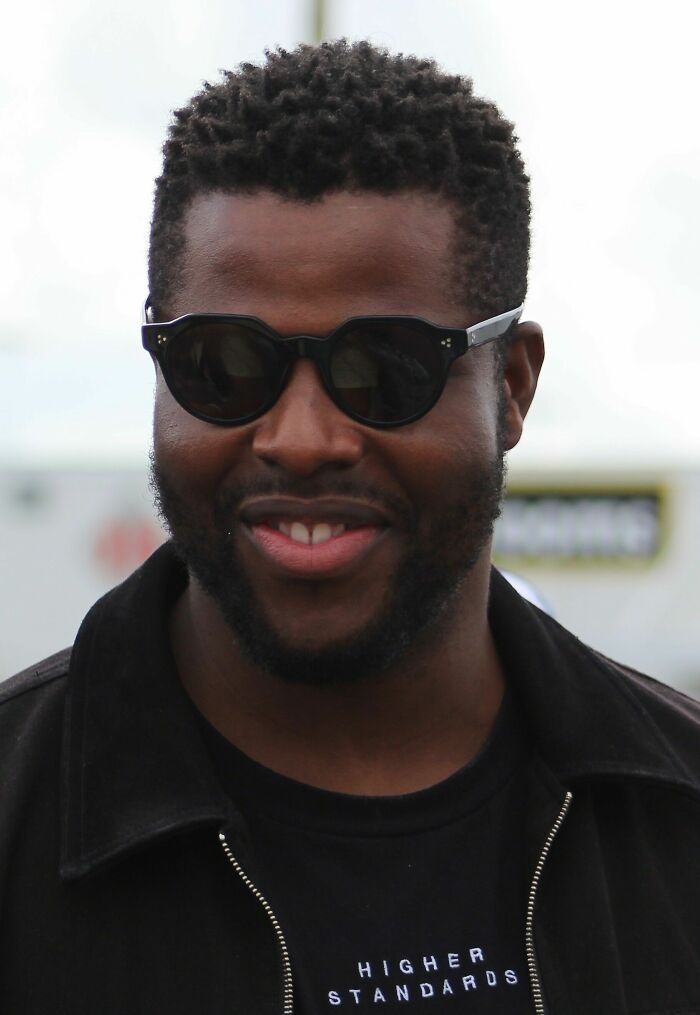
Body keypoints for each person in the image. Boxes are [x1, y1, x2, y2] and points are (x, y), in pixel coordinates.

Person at [2, 39, 699, 1015]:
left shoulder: (677, 815)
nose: (300, 438)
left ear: (511, 386)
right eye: (224, 364)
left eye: (382, 366)